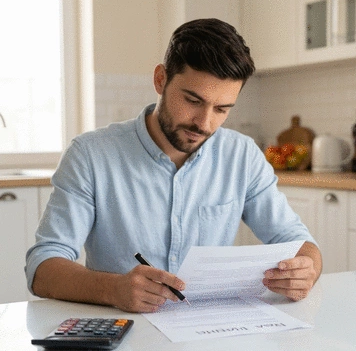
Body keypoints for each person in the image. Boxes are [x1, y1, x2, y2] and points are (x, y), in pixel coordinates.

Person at [26, 18, 322, 313]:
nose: (204, 124)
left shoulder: (242, 155)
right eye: (193, 101)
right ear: (160, 80)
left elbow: (300, 243)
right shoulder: (90, 155)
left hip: (208, 333)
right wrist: (115, 289)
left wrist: (306, 270)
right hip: (124, 332)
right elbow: (43, 267)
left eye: (221, 109)